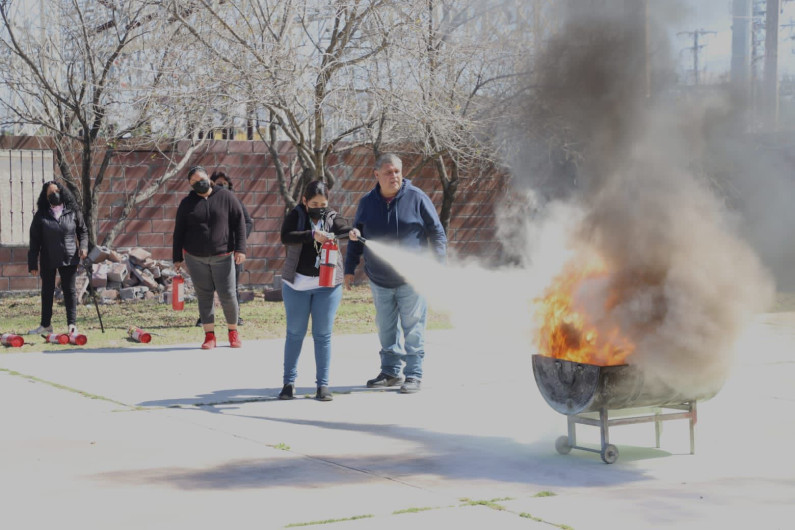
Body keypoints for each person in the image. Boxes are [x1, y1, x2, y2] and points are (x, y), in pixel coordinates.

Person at [344, 153, 447, 394]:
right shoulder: (367, 202)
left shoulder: (417, 198)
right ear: (376, 174)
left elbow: (437, 233)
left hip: (413, 279)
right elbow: (356, 237)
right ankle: (390, 372)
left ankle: (413, 374)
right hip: (379, 279)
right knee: (386, 327)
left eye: (398, 171)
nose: (395, 176)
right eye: (389, 172)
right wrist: (349, 269)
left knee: (413, 327)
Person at [279, 180, 353, 402]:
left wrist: (352, 231)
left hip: (327, 287)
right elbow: (286, 236)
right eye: (314, 203)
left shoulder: (330, 216)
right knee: (294, 334)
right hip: (297, 285)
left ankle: (323, 385)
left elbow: (342, 227)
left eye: (323, 203)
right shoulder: (297, 215)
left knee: (323, 335)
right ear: (304, 201)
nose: (319, 207)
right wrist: (311, 236)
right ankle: (288, 383)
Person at [173, 166, 247, 349]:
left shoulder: (226, 197)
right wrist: (177, 258)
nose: (199, 183)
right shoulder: (186, 203)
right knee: (204, 296)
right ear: (190, 186)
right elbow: (178, 231)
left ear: (208, 177)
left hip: (223, 256)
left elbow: (240, 223)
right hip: (195, 258)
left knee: (228, 295)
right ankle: (209, 336)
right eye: (194, 183)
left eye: (201, 179)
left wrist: (240, 249)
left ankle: (233, 332)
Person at [27, 180, 88, 336]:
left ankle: (72, 326)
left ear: (62, 192)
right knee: (47, 291)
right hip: (48, 258)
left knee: (70, 291)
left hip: (69, 257)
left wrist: (84, 246)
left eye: (56, 191)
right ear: (45, 197)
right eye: (50, 194)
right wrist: (32, 263)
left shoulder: (73, 211)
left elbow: (83, 231)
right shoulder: (41, 215)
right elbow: (34, 240)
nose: (54, 195)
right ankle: (46, 325)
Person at [194, 170, 252, 327]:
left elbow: (247, 222)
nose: (223, 187)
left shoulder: (234, 201)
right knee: (207, 288)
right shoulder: (202, 201)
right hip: (208, 253)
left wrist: (238, 243)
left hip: (232, 253)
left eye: (226, 184)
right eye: (219, 184)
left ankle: (236, 317)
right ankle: (204, 318)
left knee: (232, 287)